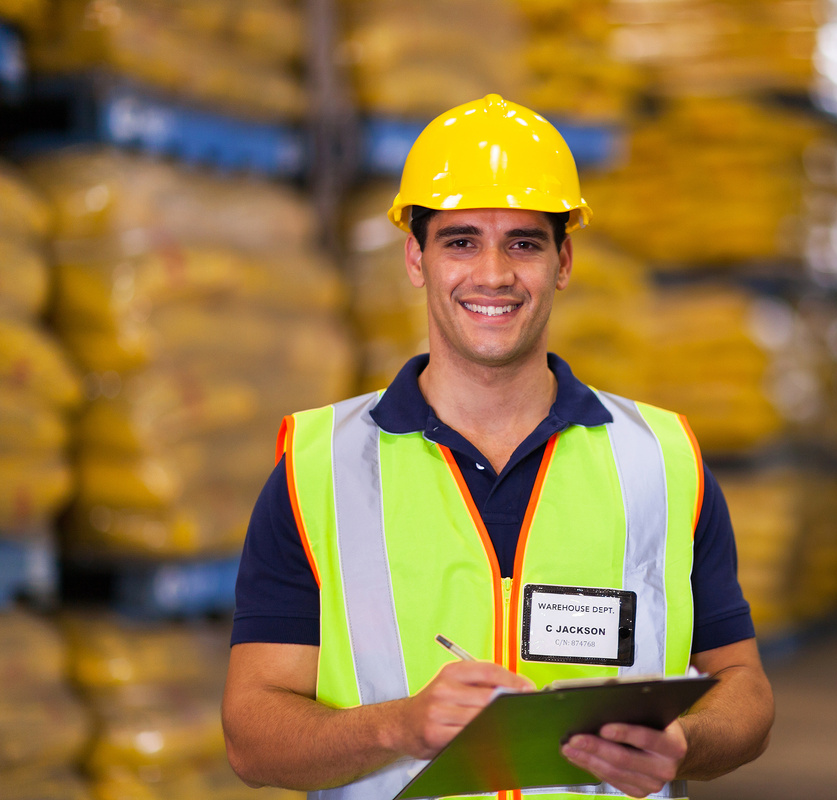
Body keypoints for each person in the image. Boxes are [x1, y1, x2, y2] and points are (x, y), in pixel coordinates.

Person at [222, 94, 774, 800]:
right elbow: (251, 737)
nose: (492, 274)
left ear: (564, 260)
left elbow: (746, 689)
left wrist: (684, 745)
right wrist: (399, 728)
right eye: (460, 241)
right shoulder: (318, 470)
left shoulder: (662, 461)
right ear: (415, 259)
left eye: (523, 242)